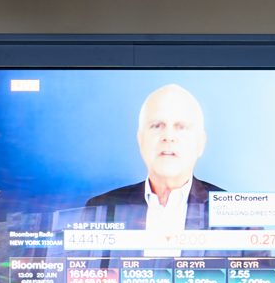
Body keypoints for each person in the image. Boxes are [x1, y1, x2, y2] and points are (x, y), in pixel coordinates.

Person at [76, 84, 226, 234]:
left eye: (181, 127)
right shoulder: (100, 209)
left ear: (200, 143)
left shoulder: (235, 213)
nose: (168, 136)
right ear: (140, 139)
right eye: (157, 126)